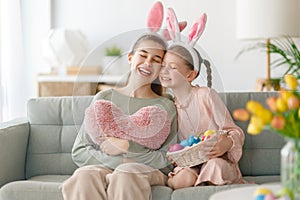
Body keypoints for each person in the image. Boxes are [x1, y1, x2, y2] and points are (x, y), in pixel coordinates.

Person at [61, 33, 178, 200]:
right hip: (106, 166)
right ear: (130, 58)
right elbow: (80, 151)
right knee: (84, 176)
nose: (148, 63)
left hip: (145, 171)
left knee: (125, 174)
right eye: (143, 55)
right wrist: (119, 162)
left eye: (156, 59)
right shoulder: (104, 99)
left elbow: (168, 160)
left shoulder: (166, 105)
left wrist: (128, 147)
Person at [159, 8, 246, 189]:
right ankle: (184, 181)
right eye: (163, 66)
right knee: (183, 179)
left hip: (217, 160)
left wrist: (227, 143)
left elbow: (234, 130)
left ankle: (205, 184)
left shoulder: (206, 95)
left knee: (215, 167)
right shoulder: (168, 104)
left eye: (172, 67)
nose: (165, 71)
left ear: (190, 75)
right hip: (190, 163)